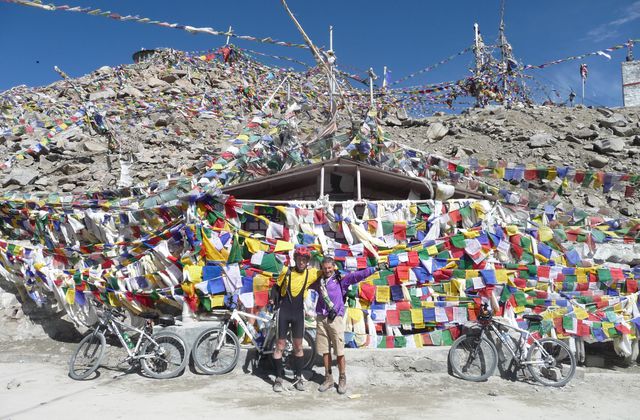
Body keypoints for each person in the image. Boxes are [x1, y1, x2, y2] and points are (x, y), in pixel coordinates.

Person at [314, 256, 387, 394]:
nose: (327, 270)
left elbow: (357, 276)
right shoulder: (319, 280)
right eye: (325, 268)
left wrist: (375, 268)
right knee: (325, 351)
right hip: (321, 317)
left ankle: (342, 378)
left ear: (333, 267)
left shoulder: (341, 279)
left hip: (335, 319)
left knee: (339, 351)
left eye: (330, 268)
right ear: (322, 268)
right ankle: (328, 378)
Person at [271, 246, 320, 392]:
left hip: (298, 313)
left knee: (298, 347)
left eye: (304, 259)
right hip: (284, 312)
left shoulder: (311, 273)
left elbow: (327, 269)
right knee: (280, 346)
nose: (301, 261)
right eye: (299, 259)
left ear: (307, 261)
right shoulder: (286, 271)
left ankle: (298, 377)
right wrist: (273, 302)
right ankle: (278, 378)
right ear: (295, 259)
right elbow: (275, 287)